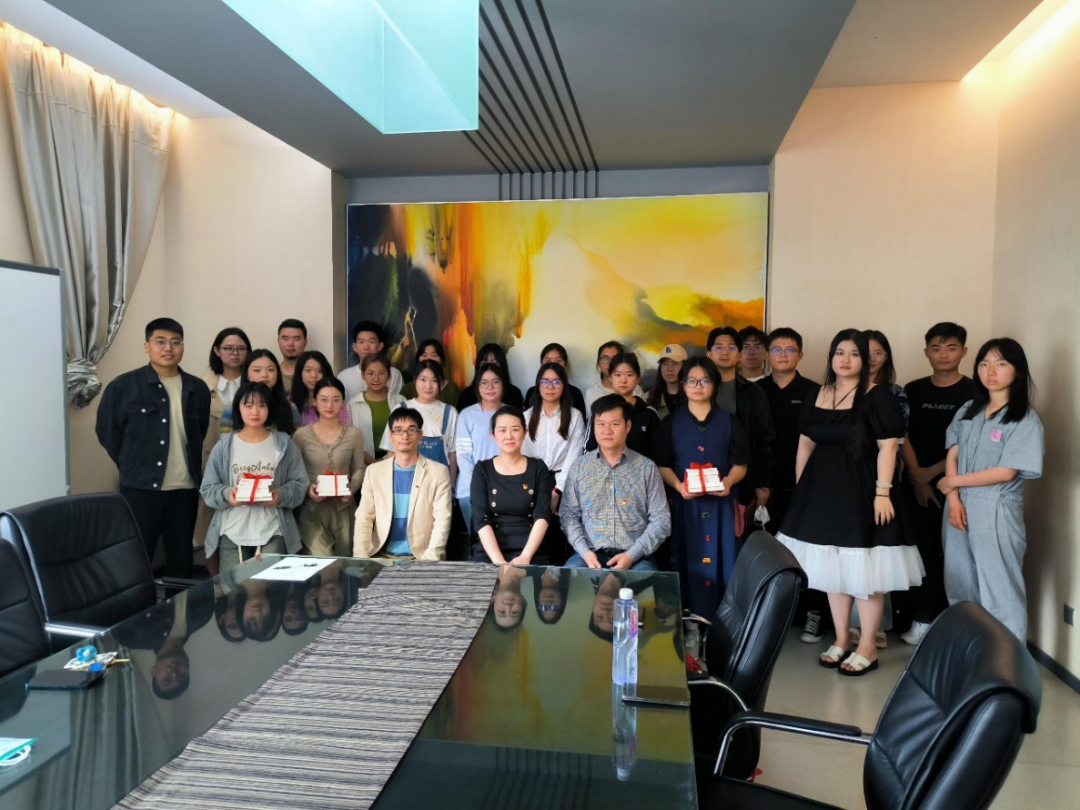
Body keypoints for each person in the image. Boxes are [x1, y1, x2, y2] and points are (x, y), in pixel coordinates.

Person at [775, 329, 923, 676]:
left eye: (855, 354)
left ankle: (868, 646)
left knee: (864, 570)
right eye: (839, 353)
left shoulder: (878, 395)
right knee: (833, 570)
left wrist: (882, 493)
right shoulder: (818, 393)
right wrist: (803, 488)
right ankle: (842, 639)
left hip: (863, 491)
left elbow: (889, 445)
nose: (846, 360)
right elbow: (805, 442)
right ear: (831, 357)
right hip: (821, 492)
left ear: (865, 359)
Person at [937, 338, 1043, 642]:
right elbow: (953, 454)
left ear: (1017, 370)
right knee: (959, 583)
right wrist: (954, 499)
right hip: (958, 505)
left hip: (996, 507)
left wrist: (952, 484)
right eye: (984, 364)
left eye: (1000, 364)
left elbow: (1006, 471)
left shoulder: (1024, 419)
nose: (990, 371)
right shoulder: (968, 409)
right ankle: (970, 653)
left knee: (1000, 588)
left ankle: (1007, 663)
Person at [96, 317, 211, 578]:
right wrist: (133, 463)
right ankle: (140, 605)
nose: (168, 348)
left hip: (185, 488)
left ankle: (179, 605)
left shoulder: (197, 388)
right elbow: (107, 432)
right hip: (140, 488)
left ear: (183, 347)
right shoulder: (124, 387)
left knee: (181, 556)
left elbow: (198, 432)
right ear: (147, 346)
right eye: (160, 342)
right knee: (137, 557)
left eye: (175, 342)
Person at [899, 322, 975, 645]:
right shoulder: (913, 389)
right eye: (936, 348)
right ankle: (921, 618)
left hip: (959, 487)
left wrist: (932, 473)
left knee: (956, 556)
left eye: (951, 347)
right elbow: (901, 434)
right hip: (915, 483)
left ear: (964, 352)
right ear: (926, 351)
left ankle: (955, 622)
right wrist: (918, 477)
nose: (943, 354)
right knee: (921, 551)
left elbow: (969, 442)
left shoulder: (974, 392)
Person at [655, 358, 749, 617]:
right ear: (683, 385)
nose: (698, 386)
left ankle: (723, 625)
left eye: (705, 380)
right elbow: (661, 465)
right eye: (692, 381)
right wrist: (678, 486)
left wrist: (728, 481)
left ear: (715, 385)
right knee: (684, 560)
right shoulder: (670, 423)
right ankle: (689, 623)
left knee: (726, 561)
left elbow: (741, 464)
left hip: (722, 506)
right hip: (685, 506)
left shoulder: (730, 421)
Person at [756, 327, 823, 641]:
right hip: (764, 488)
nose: (783, 355)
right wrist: (759, 483)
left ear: (800, 355)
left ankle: (813, 612)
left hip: (806, 486)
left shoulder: (815, 391)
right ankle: (771, 616)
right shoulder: (755, 391)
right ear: (767, 355)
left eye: (790, 349)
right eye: (777, 349)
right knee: (769, 552)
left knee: (810, 551)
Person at [199, 380, 308, 573]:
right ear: (238, 408)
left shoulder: (283, 444)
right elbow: (207, 487)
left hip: (273, 530)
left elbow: (300, 483)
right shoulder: (225, 446)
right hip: (232, 531)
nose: (255, 411)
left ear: (270, 408)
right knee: (234, 589)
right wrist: (228, 494)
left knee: (270, 588)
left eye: (262, 405)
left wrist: (279, 495)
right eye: (248, 405)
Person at [561, 394, 671, 571]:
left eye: (614, 424)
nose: (607, 431)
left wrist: (632, 555)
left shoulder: (646, 468)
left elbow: (661, 520)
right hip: (589, 555)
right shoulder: (579, 467)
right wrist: (584, 552)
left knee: (650, 584)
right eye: (601, 424)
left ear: (628, 426)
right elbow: (568, 515)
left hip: (636, 557)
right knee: (566, 581)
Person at [353, 407, 453, 560]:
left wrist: (429, 559)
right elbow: (364, 516)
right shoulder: (374, 471)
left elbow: (442, 519)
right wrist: (361, 558)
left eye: (411, 430)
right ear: (390, 435)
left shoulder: (438, 472)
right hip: (381, 556)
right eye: (398, 430)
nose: (405, 436)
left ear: (420, 435)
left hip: (421, 557)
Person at [706, 326, 776, 532]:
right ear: (709, 354)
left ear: (738, 354)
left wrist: (763, 483)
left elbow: (765, 440)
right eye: (719, 347)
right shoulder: (696, 390)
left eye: (731, 347)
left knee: (737, 534)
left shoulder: (753, 392)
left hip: (743, 479)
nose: (725, 352)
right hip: (703, 476)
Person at [196, 327, 252, 575]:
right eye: (228, 348)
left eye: (240, 348)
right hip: (213, 464)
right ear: (217, 351)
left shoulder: (254, 384)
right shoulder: (201, 385)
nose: (234, 353)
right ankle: (215, 582)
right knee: (211, 527)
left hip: (248, 466)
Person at [471, 406, 555, 565]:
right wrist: (499, 562)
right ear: (493, 435)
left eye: (515, 429)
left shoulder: (538, 468)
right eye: (502, 430)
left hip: (531, 549)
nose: (509, 436)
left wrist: (525, 556)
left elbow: (542, 515)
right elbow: (480, 518)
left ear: (525, 432)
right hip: (491, 551)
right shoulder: (482, 470)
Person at [293, 378, 366, 556]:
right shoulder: (301, 435)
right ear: (314, 401)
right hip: (311, 508)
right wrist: (308, 489)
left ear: (342, 403)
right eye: (324, 399)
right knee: (323, 560)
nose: (329, 405)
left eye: (335, 400)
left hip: (343, 508)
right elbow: (293, 471)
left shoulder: (353, 434)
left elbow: (359, 467)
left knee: (344, 562)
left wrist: (352, 488)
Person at [523, 361, 586, 562]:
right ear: (538, 385)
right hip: (533, 482)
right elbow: (523, 455)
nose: (550, 387)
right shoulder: (526, 417)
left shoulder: (574, 417)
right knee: (534, 537)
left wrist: (557, 490)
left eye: (556, 382)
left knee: (559, 538)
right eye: (545, 381)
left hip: (564, 481)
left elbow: (574, 457)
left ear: (564, 385)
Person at [381, 359, 458, 483]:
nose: (428, 386)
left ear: (442, 384)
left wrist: (452, 485)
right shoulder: (401, 408)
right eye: (423, 379)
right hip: (405, 480)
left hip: (438, 481)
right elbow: (391, 450)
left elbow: (452, 453)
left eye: (434, 380)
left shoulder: (449, 412)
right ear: (415, 381)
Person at [455, 363, 508, 531]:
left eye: (495, 382)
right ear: (477, 387)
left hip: (505, 491)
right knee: (478, 542)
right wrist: (479, 489)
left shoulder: (512, 414)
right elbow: (463, 457)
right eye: (484, 383)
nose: (490, 387)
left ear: (503, 384)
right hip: (471, 491)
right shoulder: (467, 415)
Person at [584, 353, 660, 459]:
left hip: (641, 469)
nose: (623, 380)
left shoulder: (649, 413)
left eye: (629, 375)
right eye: (618, 375)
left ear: (637, 379)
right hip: (602, 469)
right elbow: (589, 448)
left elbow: (658, 452)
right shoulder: (600, 409)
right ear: (610, 378)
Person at [346, 353, 405, 465]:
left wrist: (387, 461)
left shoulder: (401, 401)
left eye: (381, 373)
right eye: (370, 373)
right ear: (363, 375)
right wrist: (373, 462)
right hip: (362, 465)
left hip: (396, 463)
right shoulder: (353, 404)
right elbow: (349, 441)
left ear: (389, 375)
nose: (376, 378)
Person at [338, 321, 404, 401]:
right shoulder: (344, 376)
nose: (366, 347)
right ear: (355, 347)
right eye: (361, 342)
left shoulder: (394, 374)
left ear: (380, 346)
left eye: (371, 342)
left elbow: (398, 403)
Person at [522, 342, 587, 417]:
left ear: (565, 364)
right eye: (548, 361)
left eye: (558, 361)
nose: (553, 365)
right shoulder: (531, 393)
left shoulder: (575, 393)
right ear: (541, 364)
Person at [243, 349, 300, 433]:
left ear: (277, 374)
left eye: (270, 370)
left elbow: (297, 439)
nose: (264, 375)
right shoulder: (232, 408)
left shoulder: (290, 407)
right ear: (246, 375)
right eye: (257, 370)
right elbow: (227, 440)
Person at [457, 343, 525, 410]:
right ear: (478, 367)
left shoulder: (514, 394)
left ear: (502, 366)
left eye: (494, 363)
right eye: (484, 363)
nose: (489, 367)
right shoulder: (467, 394)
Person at [583, 340, 644, 412]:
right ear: (598, 363)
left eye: (615, 358)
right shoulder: (591, 393)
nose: (610, 363)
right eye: (605, 358)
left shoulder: (636, 389)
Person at [291, 350, 347, 427]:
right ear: (300, 373)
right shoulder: (290, 403)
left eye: (319, 371)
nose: (313, 375)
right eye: (308, 370)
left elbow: (344, 430)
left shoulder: (336, 404)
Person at [400, 338, 461, 406]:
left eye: (434, 355)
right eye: (424, 355)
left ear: (441, 359)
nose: (429, 359)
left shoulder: (452, 390)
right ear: (418, 359)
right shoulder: (407, 389)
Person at [646, 343, 687, 420]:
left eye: (675, 363)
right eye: (665, 364)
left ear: (685, 367)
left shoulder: (694, 396)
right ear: (660, 368)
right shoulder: (648, 398)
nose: (669, 369)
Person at [276, 319, 308, 392]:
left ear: (305, 342)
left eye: (296, 339)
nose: (290, 344)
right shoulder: (272, 376)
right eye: (285, 339)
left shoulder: (314, 376)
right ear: (278, 341)